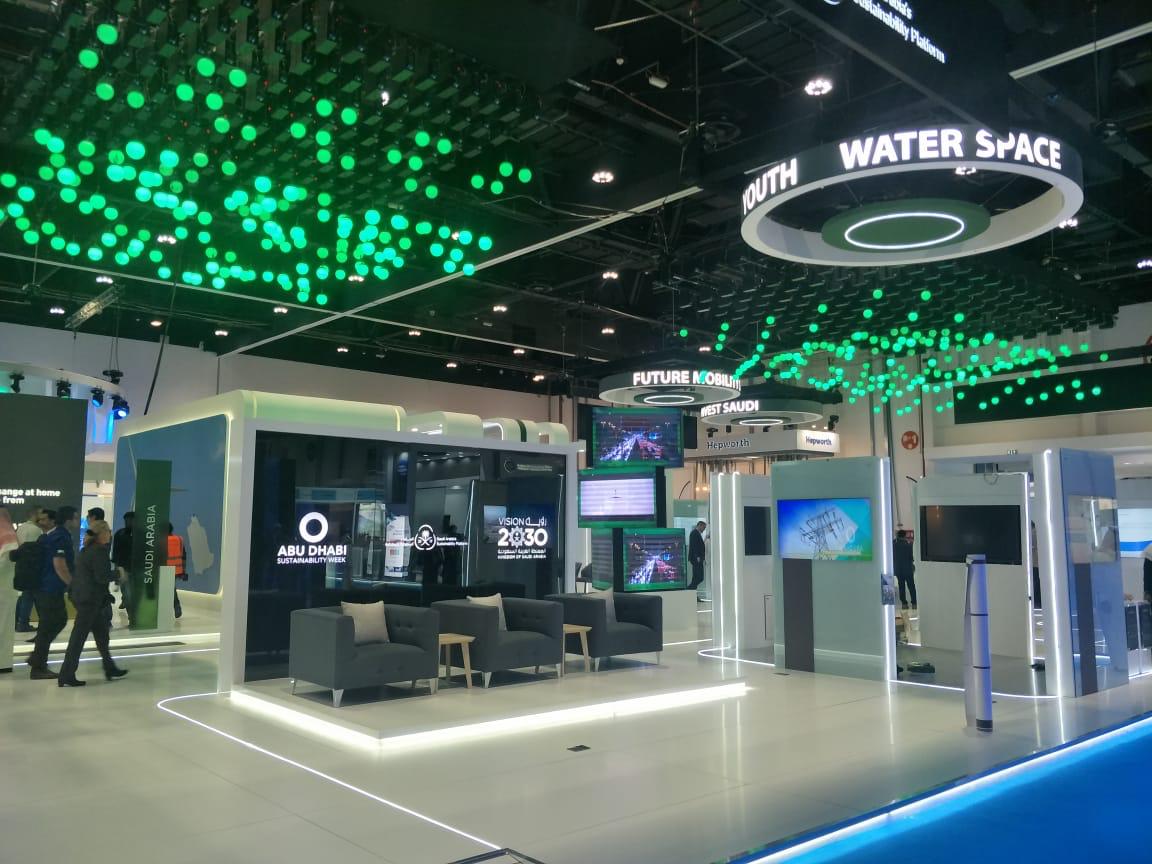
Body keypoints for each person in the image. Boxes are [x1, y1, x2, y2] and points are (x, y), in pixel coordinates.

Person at [57, 519, 127, 687]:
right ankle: (66, 674)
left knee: (101, 634)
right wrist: (118, 573)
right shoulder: (99, 551)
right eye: (108, 531)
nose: (110, 534)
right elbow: (101, 577)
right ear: (102, 534)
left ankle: (109, 667)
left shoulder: (87, 550)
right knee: (78, 637)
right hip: (90, 600)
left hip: (84, 597)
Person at [27, 505, 80, 680]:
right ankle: (38, 665)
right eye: (75, 517)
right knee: (52, 623)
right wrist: (72, 584)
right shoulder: (61, 537)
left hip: (43, 587)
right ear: (68, 520)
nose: (77, 521)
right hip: (50, 588)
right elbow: (60, 565)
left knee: (50, 624)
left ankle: (37, 658)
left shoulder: (51, 536)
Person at [13, 505, 50, 632]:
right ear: (35, 515)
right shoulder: (36, 530)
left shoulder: (21, 528)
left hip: (21, 566)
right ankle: (23, 622)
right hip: (32, 568)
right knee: (29, 596)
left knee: (26, 594)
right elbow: (37, 550)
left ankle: (20, 621)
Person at [0, 507, 18, 673]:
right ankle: (3, 662)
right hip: (4, 588)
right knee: (4, 625)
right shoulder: (7, 532)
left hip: (4, 587)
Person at [111, 512, 134, 622]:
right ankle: (132, 617)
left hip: (138, 568)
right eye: (126, 520)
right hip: (124, 568)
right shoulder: (119, 534)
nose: (128, 522)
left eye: (131, 520)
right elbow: (115, 553)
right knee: (127, 592)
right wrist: (117, 569)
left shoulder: (142, 535)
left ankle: (125, 601)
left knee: (133, 593)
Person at [166, 522, 186, 619]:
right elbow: (184, 555)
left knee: (168, 589)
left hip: (165, 569)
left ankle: (175, 607)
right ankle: (176, 607)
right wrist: (183, 570)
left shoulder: (161, 541)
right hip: (177, 569)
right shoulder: (179, 539)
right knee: (171, 588)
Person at [894, 529, 917, 610]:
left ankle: (904, 604)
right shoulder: (908, 545)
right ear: (904, 536)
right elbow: (911, 557)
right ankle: (914, 604)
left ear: (897, 535)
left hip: (898, 569)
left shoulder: (893, 544)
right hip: (908, 569)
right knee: (911, 586)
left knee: (901, 586)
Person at [688, 521, 707, 589]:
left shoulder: (696, 533)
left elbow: (699, 545)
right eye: (704, 528)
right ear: (699, 525)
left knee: (696, 577)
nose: (704, 529)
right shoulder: (694, 533)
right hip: (696, 559)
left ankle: (692, 590)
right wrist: (697, 557)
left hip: (697, 558)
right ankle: (690, 588)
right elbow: (694, 546)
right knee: (699, 577)